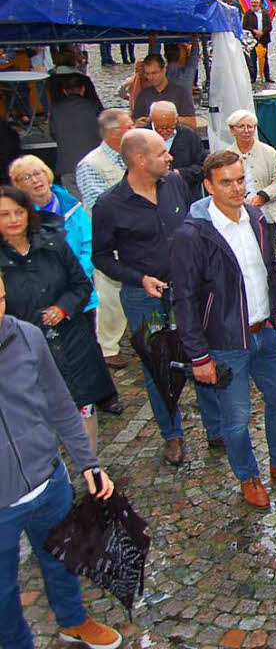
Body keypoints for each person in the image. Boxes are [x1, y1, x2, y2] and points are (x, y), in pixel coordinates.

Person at [173, 152, 276, 508]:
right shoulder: (193, 234)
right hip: (225, 342)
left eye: (241, 179)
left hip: (265, 332)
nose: (237, 187)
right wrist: (199, 355)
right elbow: (184, 299)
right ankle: (248, 476)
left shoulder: (256, 218)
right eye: (227, 182)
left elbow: (269, 268)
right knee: (237, 418)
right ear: (208, 186)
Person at [0, 270, 122, 649]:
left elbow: (60, 404)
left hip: (49, 482)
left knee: (62, 559)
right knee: (3, 592)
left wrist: (89, 463)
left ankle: (73, 621)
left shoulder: (25, 336)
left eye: (0, 298)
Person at [92, 129, 205, 465]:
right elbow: (100, 256)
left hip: (186, 291)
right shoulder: (109, 205)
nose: (170, 157)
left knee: (202, 352)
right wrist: (139, 278)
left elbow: (191, 228)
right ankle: (172, 434)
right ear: (140, 160)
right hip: (145, 300)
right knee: (158, 367)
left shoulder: (175, 184)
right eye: (161, 153)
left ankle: (216, 426)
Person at [0, 185, 116, 455]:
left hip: (71, 338)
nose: (14, 219)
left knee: (82, 404)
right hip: (22, 349)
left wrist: (63, 308)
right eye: (5, 214)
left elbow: (80, 284)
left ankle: (91, 471)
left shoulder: (53, 243)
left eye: (19, 212)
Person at [76, 109, 132, 374]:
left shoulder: (130, 157)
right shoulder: (91, 164)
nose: (133, 130)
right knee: (110, 293)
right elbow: (99, 204)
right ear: (114, 133)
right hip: (110, 240)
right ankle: (107, 346)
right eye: (128, 126)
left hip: (135, 236)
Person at [224, 109, 276, 239]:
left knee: (267, 255)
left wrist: (262, 197)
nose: (246, 131)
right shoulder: (226, 155)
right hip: (237, 214)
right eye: (241, 126)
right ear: (232, 130)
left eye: (250, 126)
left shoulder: (269, 152)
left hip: (266, 214)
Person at [50, 73, 103, 194]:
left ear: (64, 91)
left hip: (67, 165)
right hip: (93, 163)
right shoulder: (93, 106)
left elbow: (53, 133)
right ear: (83, 89)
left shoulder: (56, 108)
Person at [148, 100, 207, 201]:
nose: (165, 131)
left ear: (176, 119)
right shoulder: (141, 136)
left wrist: (180, 173)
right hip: (151, 197)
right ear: (151, 119)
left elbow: (203, 167)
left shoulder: (189, 136)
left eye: (170, 128)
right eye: (159, 128)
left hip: (184, 196)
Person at [132, 53, 198, 128]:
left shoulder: (181, 92)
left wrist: (168, 118)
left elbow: (192, 122)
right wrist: (137, 123)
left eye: (154, 73)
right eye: (147, 74)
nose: (150, 77)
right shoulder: (143, 95)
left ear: (164, 70)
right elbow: (135, 120)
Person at [243, 0, 273, 84]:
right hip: (252, 39)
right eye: (252, 2)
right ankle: (253, 77)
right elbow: (245, 26)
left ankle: (267, 76)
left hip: (263, 39)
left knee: (264, 58)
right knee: (252, 58)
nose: (254, 4)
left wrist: (262, 32)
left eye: (255, 2)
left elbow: (269, 26)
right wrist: (254, 31)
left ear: (259, 3)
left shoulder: (265, 13)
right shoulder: (248, 14)